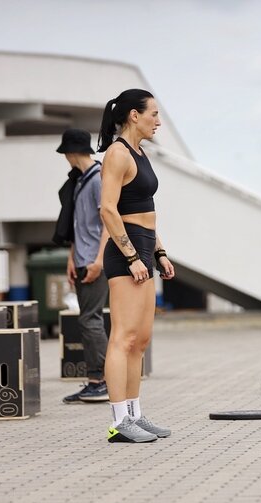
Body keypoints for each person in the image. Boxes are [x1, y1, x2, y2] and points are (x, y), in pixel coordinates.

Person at [97, 89, 175, 443]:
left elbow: (145, 211)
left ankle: (135, 414)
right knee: (123, 338)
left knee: (140, 341)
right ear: (133, 115)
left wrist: (158, 252)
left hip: (144, 249)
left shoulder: (141, 153)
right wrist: (130, 257)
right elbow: (108, 210)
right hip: (125, 254)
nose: (158, 121)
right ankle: (118, 422)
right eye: (154, 114)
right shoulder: (117, 153)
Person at [56, 129, 110, 404]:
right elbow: (78, 225)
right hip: (81, 258)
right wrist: (71, 258)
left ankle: (100, 381)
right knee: (87, 319)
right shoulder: (80, 181)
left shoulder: (98, 179)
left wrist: (99, 261)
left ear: (71, 152)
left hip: (94, 260)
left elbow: (107, 223)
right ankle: (95, 379)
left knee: (91, 319)